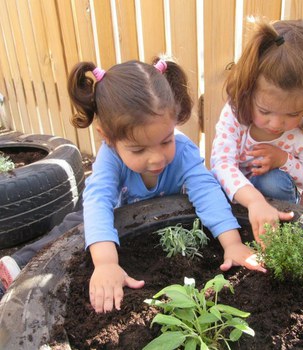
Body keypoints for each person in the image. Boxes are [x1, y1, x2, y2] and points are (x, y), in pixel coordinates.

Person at [0, 57, 266, 310]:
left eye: (165, 141)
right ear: (108, 138)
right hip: (116, 213)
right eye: (138, 150)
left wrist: (231, 243)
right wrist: (105, 264)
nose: (156, 159)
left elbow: (206, 191)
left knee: (209, 204)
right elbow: (99, 202)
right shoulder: (110, 158)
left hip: (159, 217)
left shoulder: (183, 151)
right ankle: (16, 265)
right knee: (75, 227)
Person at [210, 19, 303, 243]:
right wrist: (254, 201)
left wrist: (283, 160)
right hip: (238, 196)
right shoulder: (237, 113)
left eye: (292, 113)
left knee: (272, 181)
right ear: (249, 89)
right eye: (265, 111)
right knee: (207, 185)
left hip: (274, 205)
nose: (276, 124)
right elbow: (221, 164)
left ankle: (275, 236)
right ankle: (229, 229)